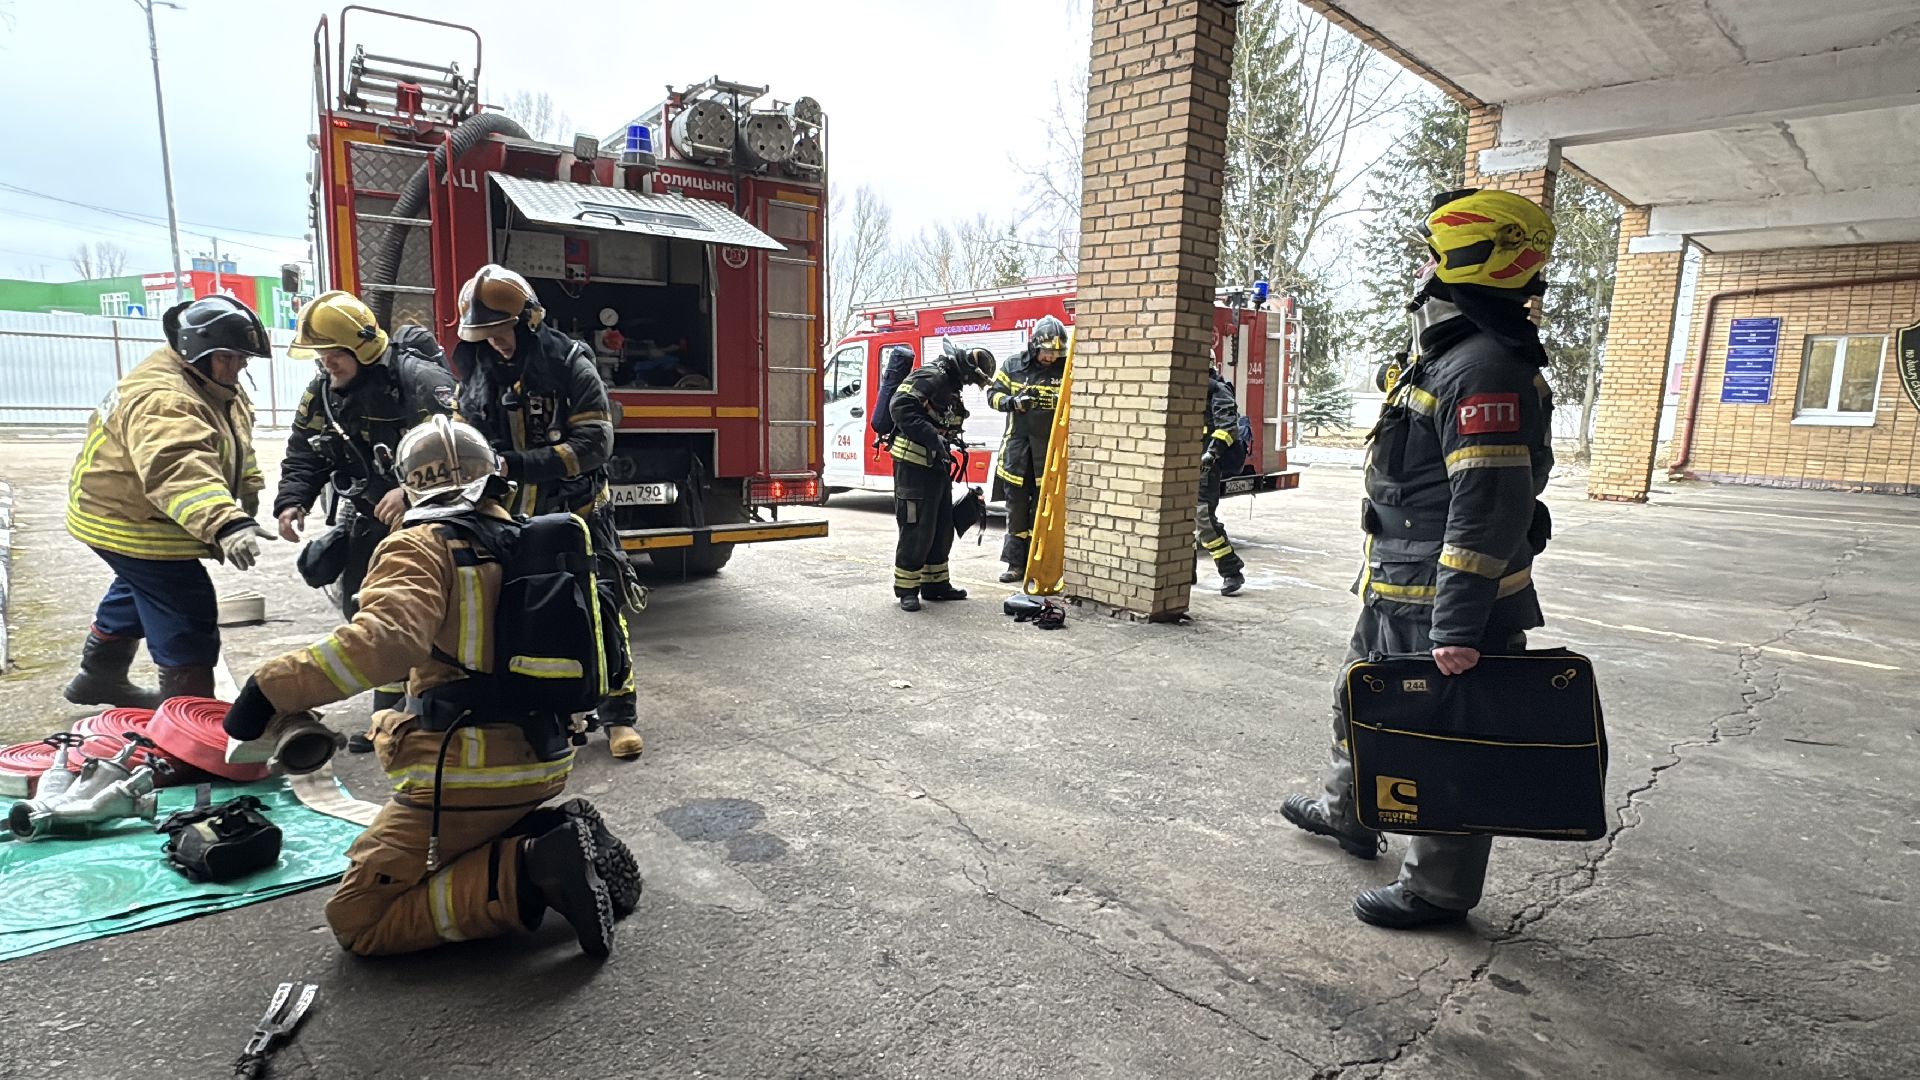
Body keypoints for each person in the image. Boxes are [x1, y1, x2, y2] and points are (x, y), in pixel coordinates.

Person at [222, 416, 640, 958]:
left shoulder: (420, 546)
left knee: (359, 919)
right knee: (444, 837)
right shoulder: (525, 540)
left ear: (411, 485)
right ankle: (549, 830)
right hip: (545, 756)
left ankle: (534, 869)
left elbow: (384, 643)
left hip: (468, 774)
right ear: (492, 477)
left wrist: (269, 691)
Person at [1280, 187, 1557, 929]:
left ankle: (1437, 891)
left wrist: (1458, 627)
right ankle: (1349, 812)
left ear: (1467, 260)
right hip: (1397, 586)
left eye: (1433, 255)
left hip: (1444, 603)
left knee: (1447, 742)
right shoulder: (1453, 353)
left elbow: (1487, 507)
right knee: (1359, 702)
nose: (1423, 268)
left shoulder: (1485, 368)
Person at [448, 264, 644, 760]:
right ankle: (535, 712)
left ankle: (618, 715)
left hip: (576, 512)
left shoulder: (569, 362)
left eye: (501, 331)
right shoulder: (476, 371)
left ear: (528, 322)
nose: (494, 343)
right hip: (507, 516)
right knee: (514, 612)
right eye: (484, 335)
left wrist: (514, 464)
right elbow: (460, 436)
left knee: (600, 607)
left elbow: (594, 444)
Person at [62, 295, 275, 708]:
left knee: (139, 587)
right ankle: (188, 710)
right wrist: (225, 522)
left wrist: (247, 488)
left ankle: (99, 676)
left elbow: (234, 440)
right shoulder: (166, 399)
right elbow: (178, 469)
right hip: (130, 518)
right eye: (229, 357)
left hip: (129, 510)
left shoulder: (211, 382)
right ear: (198, 351)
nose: (239, 366)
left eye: (243, 358)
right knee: (185, 604)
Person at [275, 291, 454, 747]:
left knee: (426, 612)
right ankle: (387, 714)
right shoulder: (323, 393)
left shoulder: (422, 382)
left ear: (362, 348)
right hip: (369, 516)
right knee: (367, 607)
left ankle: (427, 706)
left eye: (334, 354)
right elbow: (304, 451)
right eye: (321, 355)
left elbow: (462, 451)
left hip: (430, 520)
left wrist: (410, 491)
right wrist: (292, 500)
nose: (326, 364)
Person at [888, 338, 994, 611]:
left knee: (942, 525)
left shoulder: (949, 383)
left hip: (936, 464)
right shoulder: (931, 376)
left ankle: (935, 585)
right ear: (966, 369)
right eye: (972, 379)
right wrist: (933, 438)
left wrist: (947, 440)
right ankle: (907, 590)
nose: (970, 384)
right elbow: (900, 406)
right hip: (913, 464)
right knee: (916, 527)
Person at [987, 315, 1067, 584]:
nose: (1050, 357)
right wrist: (1013, 402)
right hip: (1017, 453)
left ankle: (1038, 566)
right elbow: (992, 396)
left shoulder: (1066, 369)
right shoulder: (1013, 365)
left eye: (1056, 353)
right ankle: (1015, 565)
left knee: (1041, 514)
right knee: (1017, 512)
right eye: (1046, 351)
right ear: (1034, 346)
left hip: (1049, 455)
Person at [1196, 366, 1247, 596]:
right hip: (1183, 465)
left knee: (1203, 519)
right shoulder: (1188, 388)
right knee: (1180, 520)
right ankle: (1184, 573)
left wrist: (1212, 453)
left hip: (1206, 468)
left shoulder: (1217, 389)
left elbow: (1227, 428)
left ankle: (1231, 571)